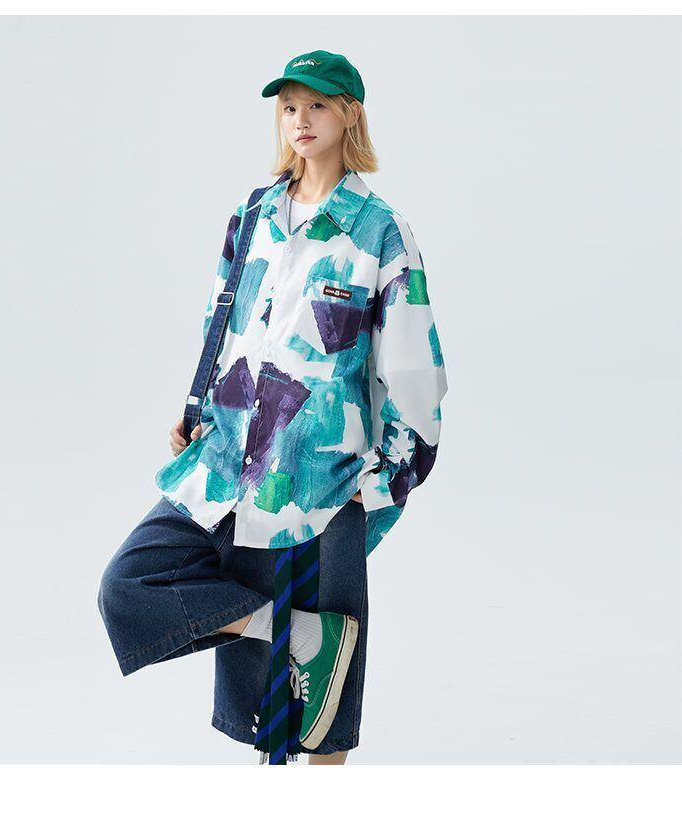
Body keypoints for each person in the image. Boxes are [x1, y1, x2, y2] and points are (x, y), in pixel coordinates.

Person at [97, 49, 449, 765]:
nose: (300, 120)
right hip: (226, 464)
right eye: (289, 106)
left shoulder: (379, 230)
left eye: (317, 105)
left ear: (349, 114)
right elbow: (221, 319)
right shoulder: (252, 213)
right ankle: (285, 628)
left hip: (319, 484)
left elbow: (416, 367)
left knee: (311, 720)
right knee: (128, 584)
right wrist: (199, 405)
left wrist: (384, 482)